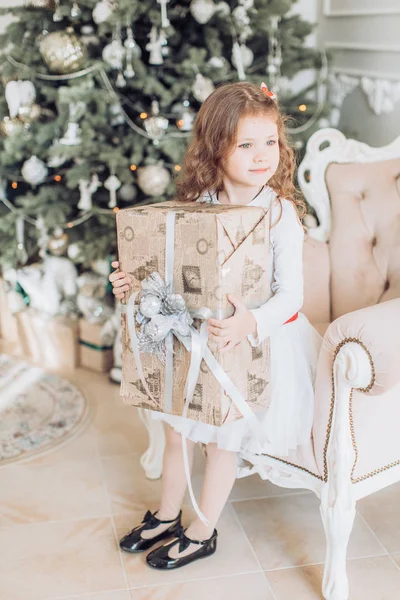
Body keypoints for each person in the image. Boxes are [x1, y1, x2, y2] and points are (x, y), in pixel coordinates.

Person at [109, 81, 322, 570]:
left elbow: (292, 295)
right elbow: (170, 273)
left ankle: (203, 529)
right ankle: (166, 513)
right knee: (178, 429)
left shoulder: (279, 214)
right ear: (216, 147)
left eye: (270, 142)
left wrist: (251, 320)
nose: (261, 155)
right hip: (198, 339)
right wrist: (131, 284)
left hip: (252, 342)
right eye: (245, 144)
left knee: (220, 438)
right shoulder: (200, 203)